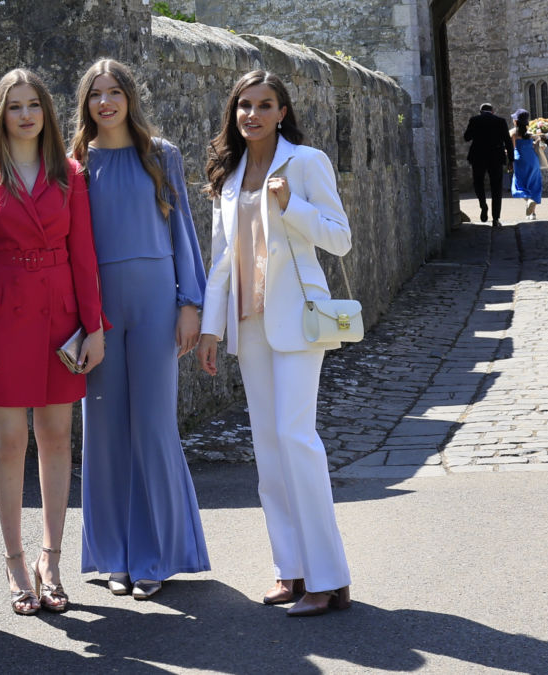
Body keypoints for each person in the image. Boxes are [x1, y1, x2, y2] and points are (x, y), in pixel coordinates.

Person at [196, 70, 353, 618]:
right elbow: (222, 257)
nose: (253, 114)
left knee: (295, 437)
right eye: (245, 105)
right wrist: (212, 327)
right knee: (267, 447)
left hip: (299, 319)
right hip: (249, 323)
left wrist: (292, 207)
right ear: (234, 113)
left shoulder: (305, 162)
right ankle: (291, 568)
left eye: (265, 105)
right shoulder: (230, 175)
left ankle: (328, 577)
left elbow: (340, 238)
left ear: (282, 112)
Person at [0, 69, 106, 616]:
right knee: (8, 442)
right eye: (14, 106)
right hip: (1, 319)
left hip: (60, 319)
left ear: (47, 112)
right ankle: (15, 561)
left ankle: (52, 559)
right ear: (0, 115)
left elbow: (84, 255)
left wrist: (94, 327)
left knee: (55, 436)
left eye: (33, 105)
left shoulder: (70, 173)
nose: (25, 115)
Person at [70, 58, 211, 601]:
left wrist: (190, 303)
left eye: (114, 92)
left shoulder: (161, 154)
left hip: (156, 302)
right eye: (95, 94)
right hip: (99, 308)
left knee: (153, 426)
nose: (105, 102)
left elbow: (183, 231)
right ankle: (114, 556)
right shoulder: (76, 164)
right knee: (104, 429)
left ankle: (156, 555)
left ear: (130, 97)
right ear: (85, 103)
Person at [463, 103, 513, 227]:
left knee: (478, 182)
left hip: (478, 157)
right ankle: (495, 218)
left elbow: (466, 137)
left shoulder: (474, 120)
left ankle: (483, 205)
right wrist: (511, 160)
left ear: (480, 111)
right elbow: (508, 141)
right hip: (496, 157)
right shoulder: (500, 121)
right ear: (493, 111)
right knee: (496, 187)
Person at [509, 109, 544, 220]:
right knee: (533, 184)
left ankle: (529, 200)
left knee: (520, 185)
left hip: (520, 160)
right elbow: (537, 144)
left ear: (516, 121)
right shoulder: (531, 132)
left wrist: (509, 161)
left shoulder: (513, 133)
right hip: (533, 160)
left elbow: (511, 149)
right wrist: (537, 141)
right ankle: (532, 214)